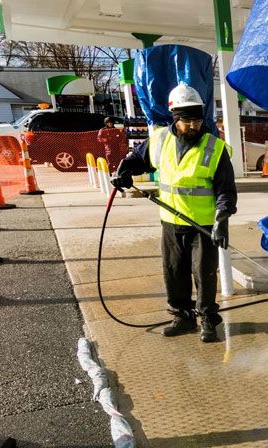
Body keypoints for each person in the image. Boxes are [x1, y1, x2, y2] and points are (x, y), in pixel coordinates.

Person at [111, 83, 237, 343]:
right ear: (175, 119)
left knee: (204, 273)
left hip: (202, 224)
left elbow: (226, 189)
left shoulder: (215, 149)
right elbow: (138, 159)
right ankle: (182, 316)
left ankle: (207, 319)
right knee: (174, 270)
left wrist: (222, 219)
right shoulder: (159, 140)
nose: (194, 126)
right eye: (187, 121)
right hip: (171, 221)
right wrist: (124, 170)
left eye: (198, 119)